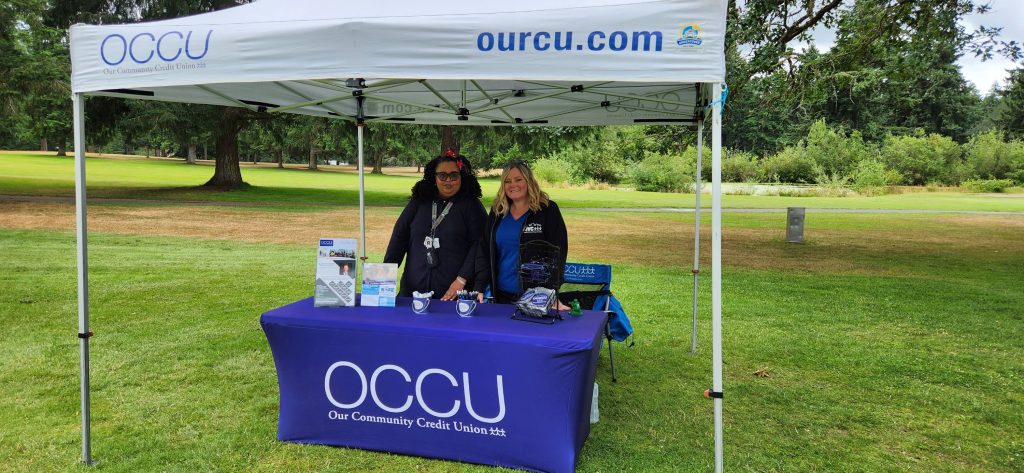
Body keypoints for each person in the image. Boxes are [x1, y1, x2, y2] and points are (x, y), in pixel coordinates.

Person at [385, 151, 486, 301]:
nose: (448, 181)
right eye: (442, 175)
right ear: (434, 177)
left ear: (461, 177)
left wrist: (462, 279)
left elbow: (479, 246)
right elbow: (400, 236)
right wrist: (385, 273)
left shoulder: (472, 206)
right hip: (413, 293)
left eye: (454, 175)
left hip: (452, 295)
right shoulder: (420, 201)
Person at [474, 160, 568, 305]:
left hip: (537, 296)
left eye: (518, 179)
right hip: (501, 295)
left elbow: (559, 253)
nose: (513, 185)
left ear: (529, 181)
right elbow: (485, 250)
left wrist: (551, 292)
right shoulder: (497, 211)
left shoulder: (548, 210)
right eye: (507, 181)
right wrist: (479, 286)